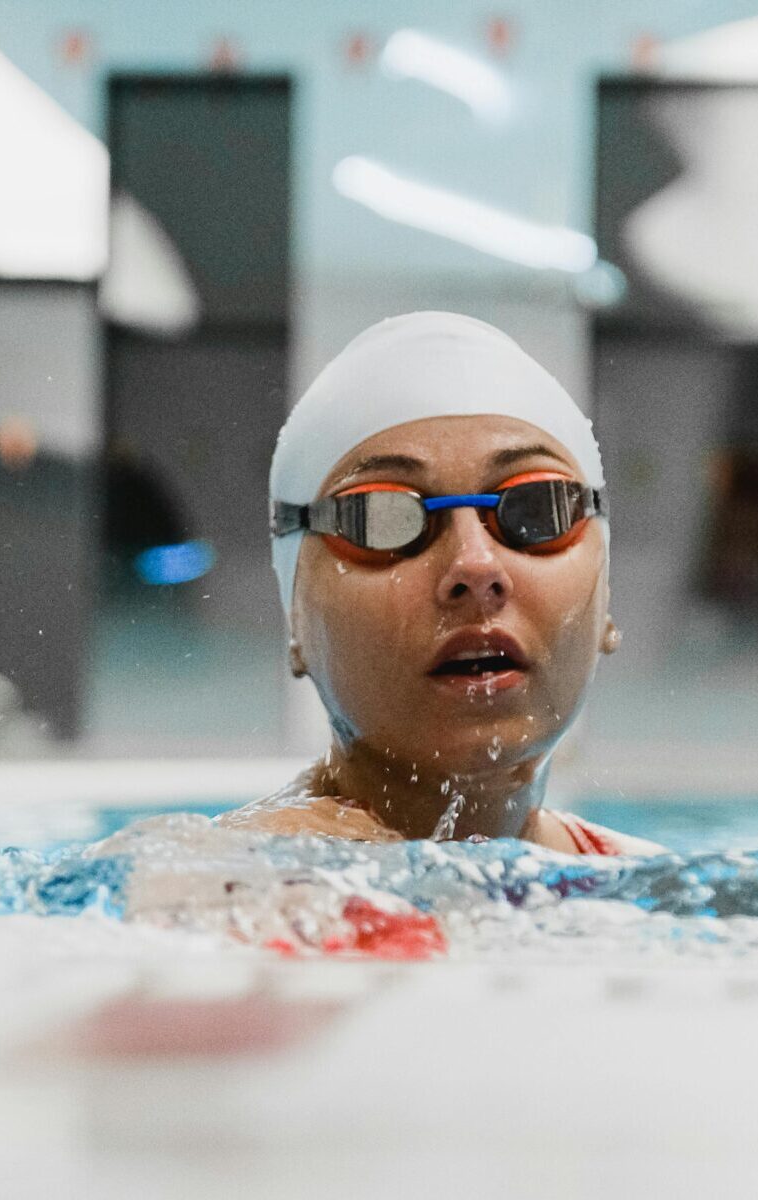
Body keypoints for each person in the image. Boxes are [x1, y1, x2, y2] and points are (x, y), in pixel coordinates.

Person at [220, 311, 656, 856]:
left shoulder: (667, 893)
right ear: (295, 621)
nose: (476, 567)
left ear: (606, 602)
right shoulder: (220, 892)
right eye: (380, 518)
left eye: (535, 509)